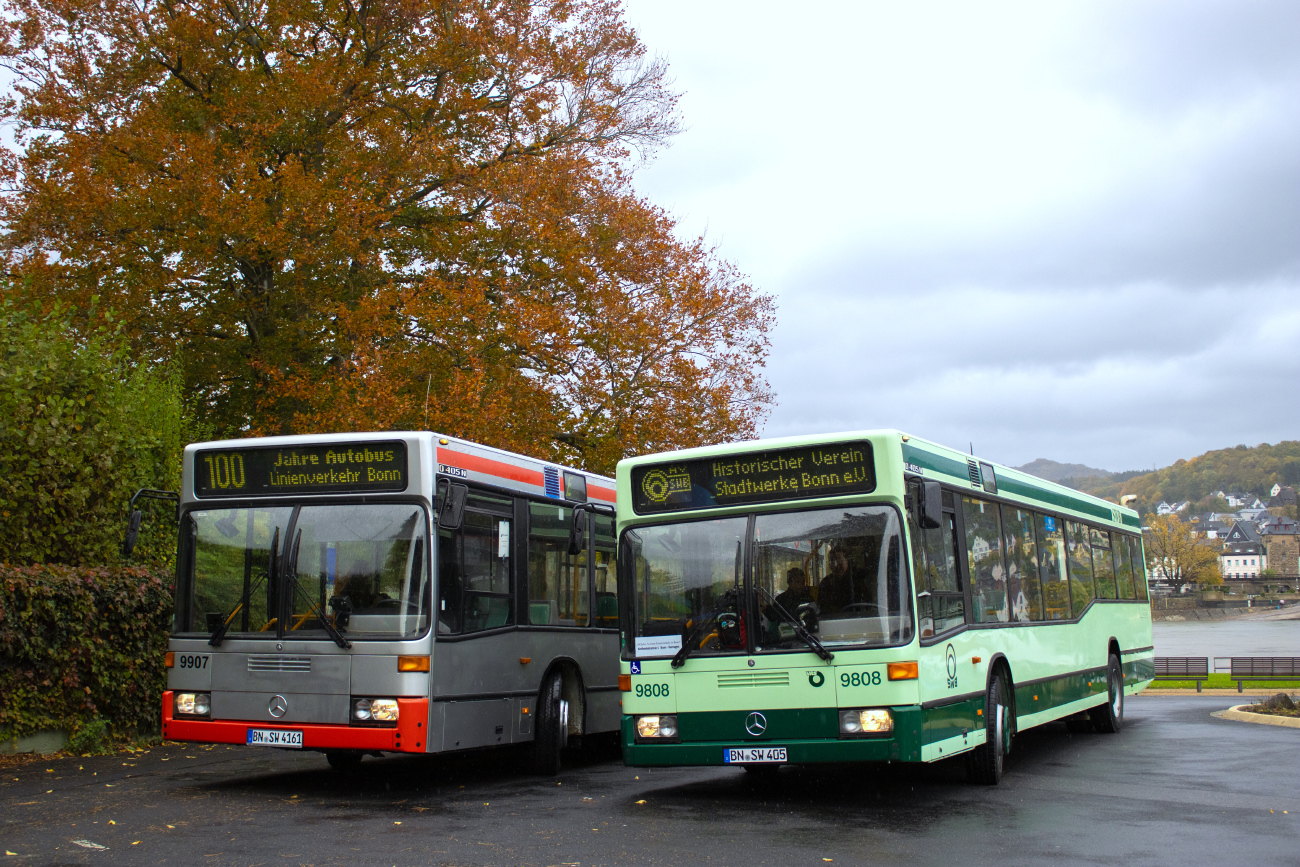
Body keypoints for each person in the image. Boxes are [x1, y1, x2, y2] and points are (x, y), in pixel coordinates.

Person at [817, 546, 853, 615]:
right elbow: (822, 607)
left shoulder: (855, 580)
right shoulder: (825, 583)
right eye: (833, 561)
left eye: (839, 559)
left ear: (847, 561)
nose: (836, 564)